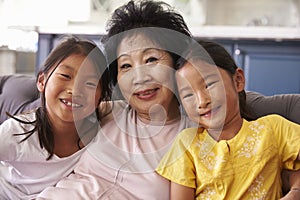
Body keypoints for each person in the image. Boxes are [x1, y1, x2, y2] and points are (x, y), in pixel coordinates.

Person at [37, 1, 196, 199]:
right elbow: (41, 119)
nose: (139, 77)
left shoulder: (195, 138)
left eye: (151, 59)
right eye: (126, 66)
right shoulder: (106, 112)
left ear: (177, 64)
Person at [156, 40, 300, 199]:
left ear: (238, 80)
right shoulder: (186, 144)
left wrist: (295, 191)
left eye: (209, 85)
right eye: (188, 95)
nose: (202, 101)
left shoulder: (273, 128)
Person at [0, 35, 111, 199]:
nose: (75, 90)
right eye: (66, 76)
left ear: (100, 97)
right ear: (42, 81)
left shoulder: (108, 121)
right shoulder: (17, 132)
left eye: (90, 83)